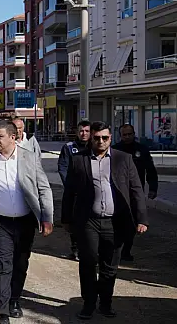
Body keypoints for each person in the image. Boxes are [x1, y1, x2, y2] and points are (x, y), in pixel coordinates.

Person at [62, 121, 148, 320]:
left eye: (105, 138)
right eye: (97, 138)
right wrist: (66, 219)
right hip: (88, 221)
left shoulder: (123, 159)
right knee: (88, 263)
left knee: (110, 266)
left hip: (115, 222)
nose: (101, 141)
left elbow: (136, 190)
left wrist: (141, 218)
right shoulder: (79, 160)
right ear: (91, 138)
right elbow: (69, 193)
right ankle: (88, 304)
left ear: (111, 138)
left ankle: (106, 303)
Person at [0, 121, 54, 324]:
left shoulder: (29, 157)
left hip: (25, 222)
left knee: (20, 264)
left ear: (13, 137)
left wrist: (47, 217)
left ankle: (15, 299)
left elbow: (43, 188)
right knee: (2, 266)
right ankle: (3, 312)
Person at [111, 123, 157, 262]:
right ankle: (115, 248)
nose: (127, 137)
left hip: (136, 192)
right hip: (118, 193)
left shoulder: (141, 150)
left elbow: (150, 170)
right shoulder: (115, 150)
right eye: (124, 134)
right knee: (117, 222)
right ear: (120, 136)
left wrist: (153, 188)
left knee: (132, 223)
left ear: (134, 133)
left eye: (129, 134)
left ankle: (126, 250)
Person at [58, 120, 92, 261]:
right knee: (73, 221)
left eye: (87, 131)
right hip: (74, 192)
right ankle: (76, 248)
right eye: (81, 131)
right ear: (77, 132)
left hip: (91, 192)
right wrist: (71, 186)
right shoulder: (69, 147)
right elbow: (63, 168)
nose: (84, 134)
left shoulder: (95, 146)